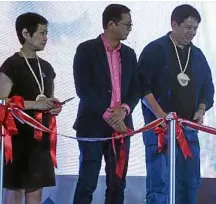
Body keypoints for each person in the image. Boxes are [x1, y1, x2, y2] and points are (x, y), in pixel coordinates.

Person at [137, 4, 214, 204]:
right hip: (159, 130)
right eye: (188, 27)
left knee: (189, 183)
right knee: (159, 184)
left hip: (188, 129)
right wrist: (161, 116)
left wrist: (201, 109)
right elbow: (142, 88)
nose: (192, 33)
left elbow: (208, 89)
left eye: (196, 28)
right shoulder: (155, 50)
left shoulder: (197, 55)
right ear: (174, 24)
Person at [72, 4, 140, 204]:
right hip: (92, 125)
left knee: (117, 184)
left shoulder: (129, 54)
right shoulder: (86, 50)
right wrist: (110, 116)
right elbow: (84, 89)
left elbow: (136, 88)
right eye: (127, 25)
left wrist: (125, 110)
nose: (129, 29)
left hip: (122, 127)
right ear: (111, 24)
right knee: (87, 182)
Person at [0, 12, 61, 204]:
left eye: (47, 33)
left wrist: (52, 106)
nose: (46, 38)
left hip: (40, 137)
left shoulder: (47, 68)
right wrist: (33, 104)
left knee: (35, 189)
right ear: (25, 33)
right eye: (41, 33)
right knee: (16, 189)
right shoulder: (11, 65)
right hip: (17, 138)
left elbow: (46, 98)